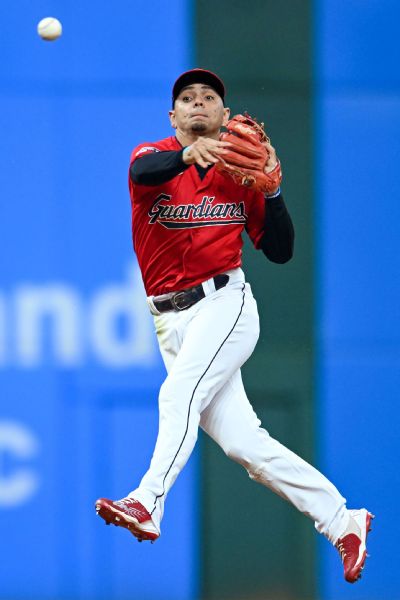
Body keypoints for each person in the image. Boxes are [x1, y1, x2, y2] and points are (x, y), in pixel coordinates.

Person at [95, 69, 373, 583]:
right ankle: (343, 519)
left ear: (225, 116)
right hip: (170, 322)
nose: (198, 103)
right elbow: (148, 173)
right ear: (173, 115)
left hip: (225, 305)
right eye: (187, 98)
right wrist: (185, 155)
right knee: (247, 445)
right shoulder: (148, 158)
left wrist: (271, 192)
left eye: (209, 98)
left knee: (176, 396)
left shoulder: (238, 175)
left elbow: (281, 251)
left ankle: (147, 500)